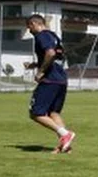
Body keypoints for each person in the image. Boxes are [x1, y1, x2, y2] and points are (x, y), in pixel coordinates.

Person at [25, 14, 76, 153]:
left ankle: (65, 134)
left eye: (29, 26)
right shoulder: (53, 36)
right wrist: (36, 64)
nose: (28, 30)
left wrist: (40, 71)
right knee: (53, 113)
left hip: (50, 80)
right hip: (61, 80)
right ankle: (65, 145)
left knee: (35, 113)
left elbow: (50, 53)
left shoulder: (41, 36)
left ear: (34, 24)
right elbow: (56, 56)